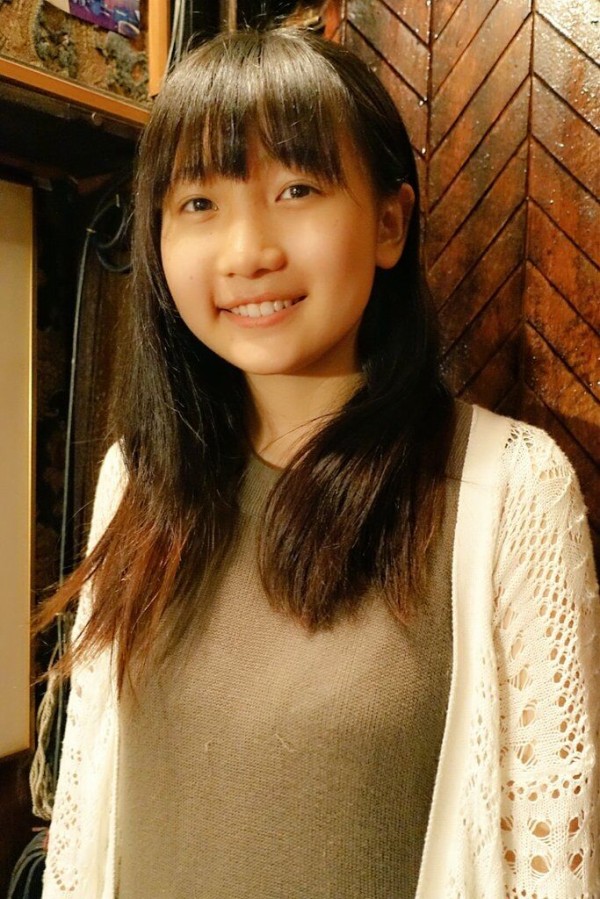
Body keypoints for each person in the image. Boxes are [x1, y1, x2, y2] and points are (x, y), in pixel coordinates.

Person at [38, 26, 599, 899]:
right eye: (199, 203)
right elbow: (84, 826)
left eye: (296, 189)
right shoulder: (138, 480)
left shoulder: (510, 488)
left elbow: (550, 867)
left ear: (389, 223)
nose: (247, 252)